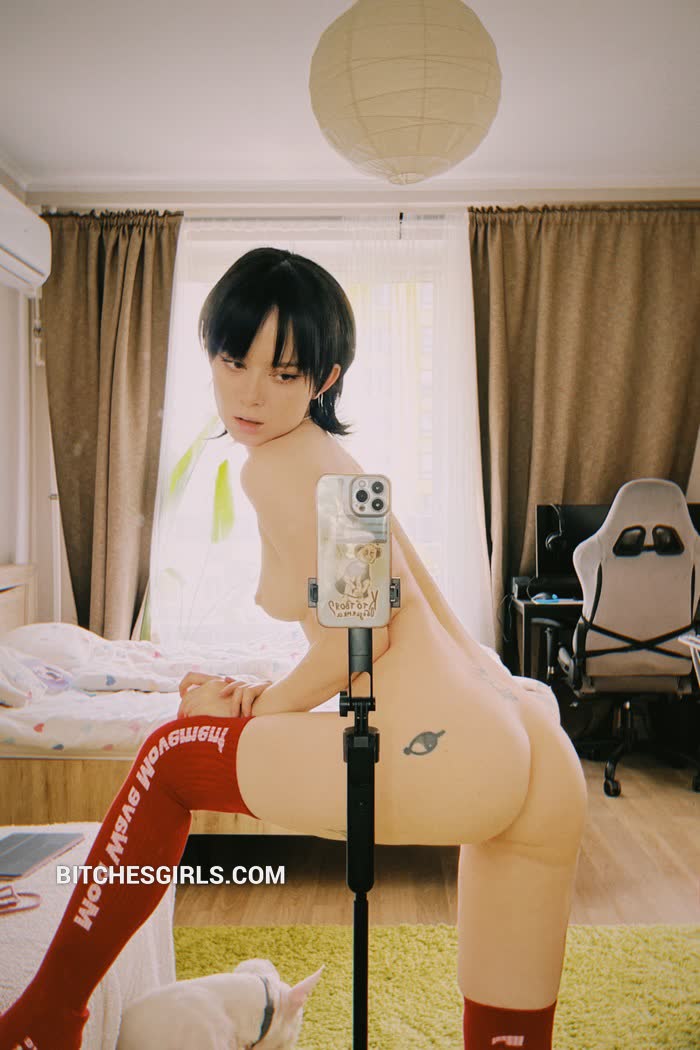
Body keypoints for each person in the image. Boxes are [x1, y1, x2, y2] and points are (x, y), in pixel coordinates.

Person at [0, 248, 587, 1050]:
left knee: (173, 757)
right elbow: (405, 610)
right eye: (233, 361)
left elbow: (365, 634)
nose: (250, 393)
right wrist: (265, 697)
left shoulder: (278, 469)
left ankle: (46, 1020)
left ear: (324, 377)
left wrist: (255, 711)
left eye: (283, 373)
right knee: (507, 1036)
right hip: (524, 743)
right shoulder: (336, 465)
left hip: (440, 747)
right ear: (209, 355)